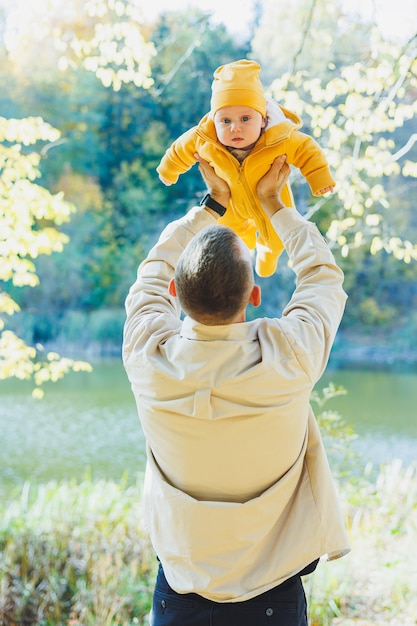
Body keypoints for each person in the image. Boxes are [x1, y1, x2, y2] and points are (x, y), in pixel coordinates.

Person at [123, 153, 350, 625]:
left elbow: (150, 273)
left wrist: (210, 206)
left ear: (175, 293)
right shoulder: (289, 354)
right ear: (254, 295)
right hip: (274, 596)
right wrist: (274, 203)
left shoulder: (148, 358)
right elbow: (322, 276)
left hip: (181, 593)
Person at [156, 59, 336, 277]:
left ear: (262, 119)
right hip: (229, 203)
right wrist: (169, 169)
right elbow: (180, 149)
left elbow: (308, 150)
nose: (235, 128)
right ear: (214, 121)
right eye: (225, 121)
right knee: (229, 239)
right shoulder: (205, 139)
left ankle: (267, 255)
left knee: (277, 238)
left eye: (245, 118)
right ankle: (245, 258)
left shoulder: (279, 138)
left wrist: (320, 178)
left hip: (271, 201)